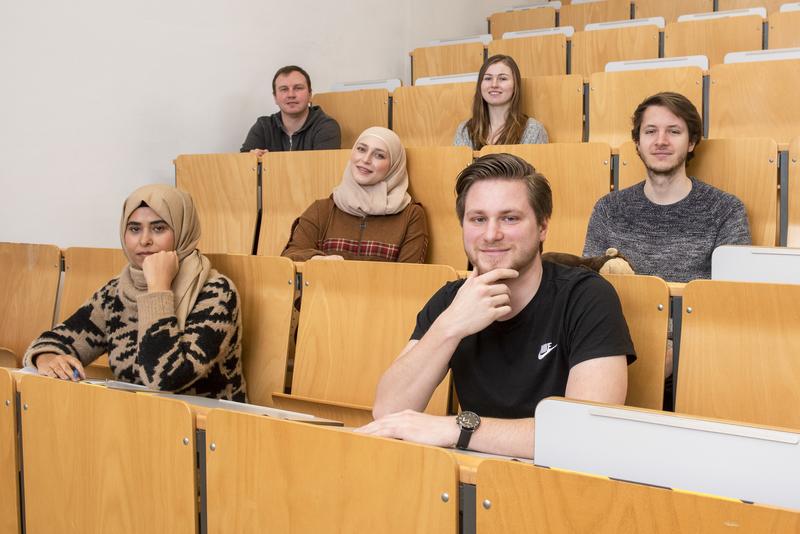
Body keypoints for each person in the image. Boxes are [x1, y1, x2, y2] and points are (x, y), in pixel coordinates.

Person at [358, 153, 634, 459]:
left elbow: (585, 434)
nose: (491, 235)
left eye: (510, 218)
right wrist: (451, 326)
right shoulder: (452, 301)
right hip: (476, 481)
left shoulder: (587, 297)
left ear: (542, 227)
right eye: (478, 219)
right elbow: (389, 410)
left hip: (561, 488)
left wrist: (457, 429)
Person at [23, 185, 247, 402]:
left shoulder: (216, 293)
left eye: (159, 228)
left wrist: (158, 289)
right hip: (136, 422)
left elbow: (166, 379)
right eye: (134, 229)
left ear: (182, 231)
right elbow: (55, 340)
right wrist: (48, 358)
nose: (144, 240)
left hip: (208, 429)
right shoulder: (115, 291)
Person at [583, 92, 751, 283]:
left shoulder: (726, 210)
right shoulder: (608, 209)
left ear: (691, 142)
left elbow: (732, 296)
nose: (661, 141)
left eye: (674, 131)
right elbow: (589, 288)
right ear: (637, 142)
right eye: (650, 131)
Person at [281, 126, 428, 263]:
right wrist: (315, 259)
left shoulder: (411, 215)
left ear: (394, 166)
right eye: (361, 149)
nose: (365, 160)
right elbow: (290, 257)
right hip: (323, 290)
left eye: (379, 155)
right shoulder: (322, 210)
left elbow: (409, 278)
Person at [453, 55, 548, 150]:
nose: (494, 84)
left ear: (515, 86)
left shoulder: (533, 130)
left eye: (502, 79)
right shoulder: (465, 130)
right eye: (488, 78)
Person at [240, 65, 341, 155]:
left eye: (298, 88)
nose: (291, 95)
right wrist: (252, 160)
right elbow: (244, 168)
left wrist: (270, 163)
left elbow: (323, 170)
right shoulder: (263, 126)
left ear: (310, 95)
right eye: (284, 89)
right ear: (275, 97)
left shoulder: (326, 127)